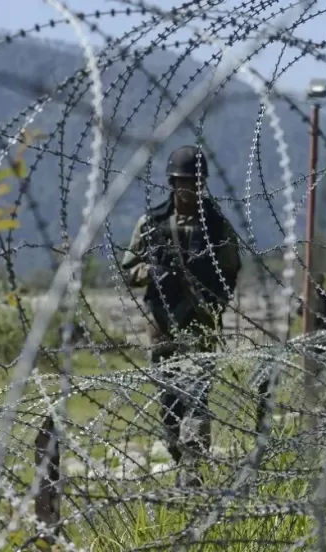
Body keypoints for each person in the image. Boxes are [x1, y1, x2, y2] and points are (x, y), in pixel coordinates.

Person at [120, 145, 241, 487]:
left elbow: (230, 271)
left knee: (198, 396)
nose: (188, 188)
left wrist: (213, 302)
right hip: (161, 323)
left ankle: (192, 471)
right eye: (182, 182)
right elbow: (129, 268)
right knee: (169, 404)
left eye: (194, 182)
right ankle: (181, 456)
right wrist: (153, 272)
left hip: (200, 322)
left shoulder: (215, 225)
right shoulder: (151, 223)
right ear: (172, 183)